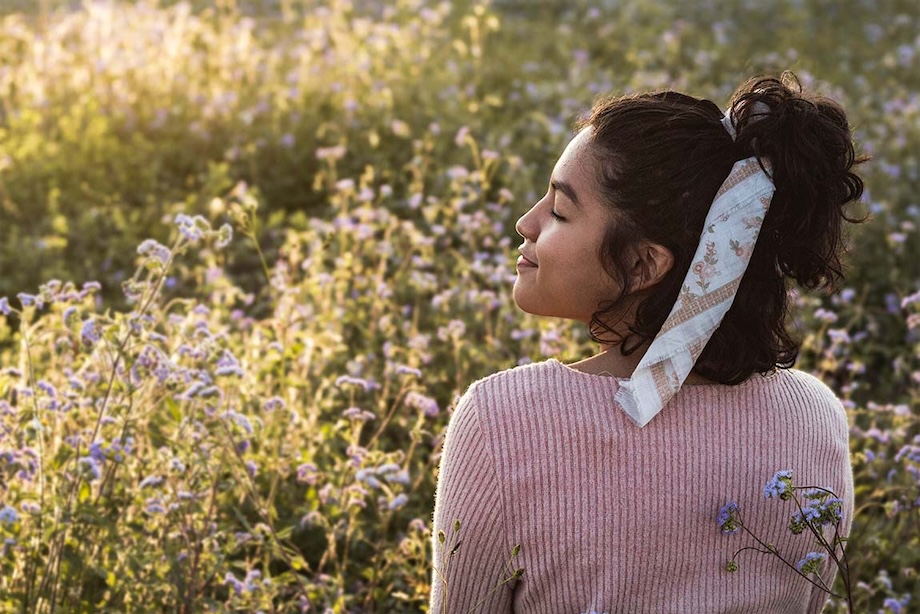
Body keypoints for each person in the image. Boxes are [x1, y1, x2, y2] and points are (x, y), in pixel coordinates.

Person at [429, 73, 864, 613]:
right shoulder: (815, 417)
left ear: (642, 265)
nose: (527, 223)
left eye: (561, 211)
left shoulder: (503, 422)